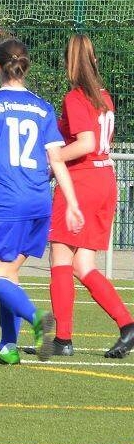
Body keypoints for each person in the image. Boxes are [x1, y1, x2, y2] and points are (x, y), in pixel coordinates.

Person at [0, 38, 84, 364]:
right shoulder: (43, 107)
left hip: (8, 204)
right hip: (39, 202)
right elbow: (56, 160)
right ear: (26, 67)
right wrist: (72, 203)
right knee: (10, 274)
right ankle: (7, 347)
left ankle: (37, 318)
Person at [45, 35, 134, 358]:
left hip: (82, 182)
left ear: (68, 62)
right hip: (105, 179)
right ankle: (127, 324)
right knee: (83, 264)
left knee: (60, 258)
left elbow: (85, 143)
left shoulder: (76, 97)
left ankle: (63, 339)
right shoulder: (104, 97)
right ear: (94, 60)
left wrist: (55, 160)